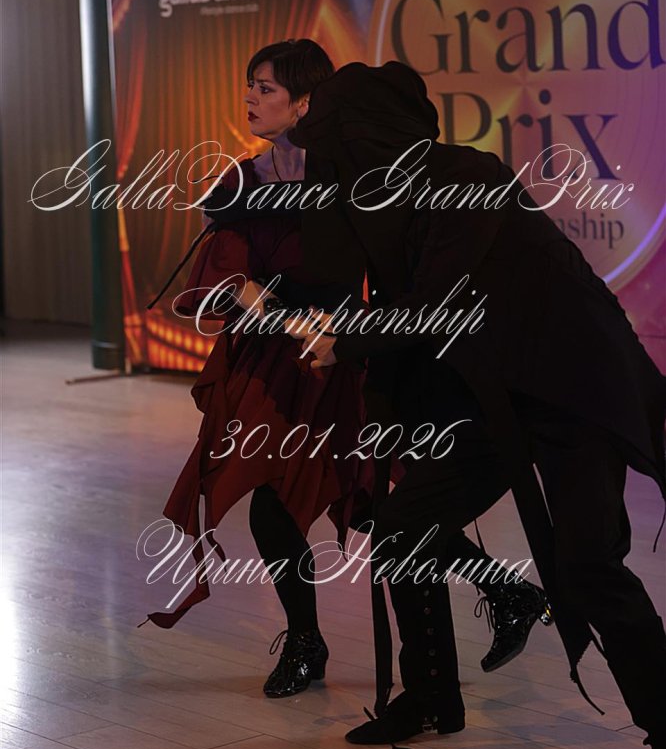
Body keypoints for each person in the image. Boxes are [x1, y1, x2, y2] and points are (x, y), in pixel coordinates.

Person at [288, 60, 666, 749]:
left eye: (338, 152)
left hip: (573, 386)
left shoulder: (467, 176)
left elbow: (433, 305)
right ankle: (432, 696)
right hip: (496, 393)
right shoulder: (390, 200)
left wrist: (343, 339)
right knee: (403, 529)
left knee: (589, 567)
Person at [142, 40, 549, 698]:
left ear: (307, 103)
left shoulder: (349, 181)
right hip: (273, 363)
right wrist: (272, 309)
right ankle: (309, 641)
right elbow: (228, 276)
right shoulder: (243, 181)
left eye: (266, 88)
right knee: (276, 505)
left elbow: (383, 271)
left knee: (367, 504)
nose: (250, 97)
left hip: (338, 358)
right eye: (250, 84)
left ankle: (502, 591)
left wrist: (334, 328)